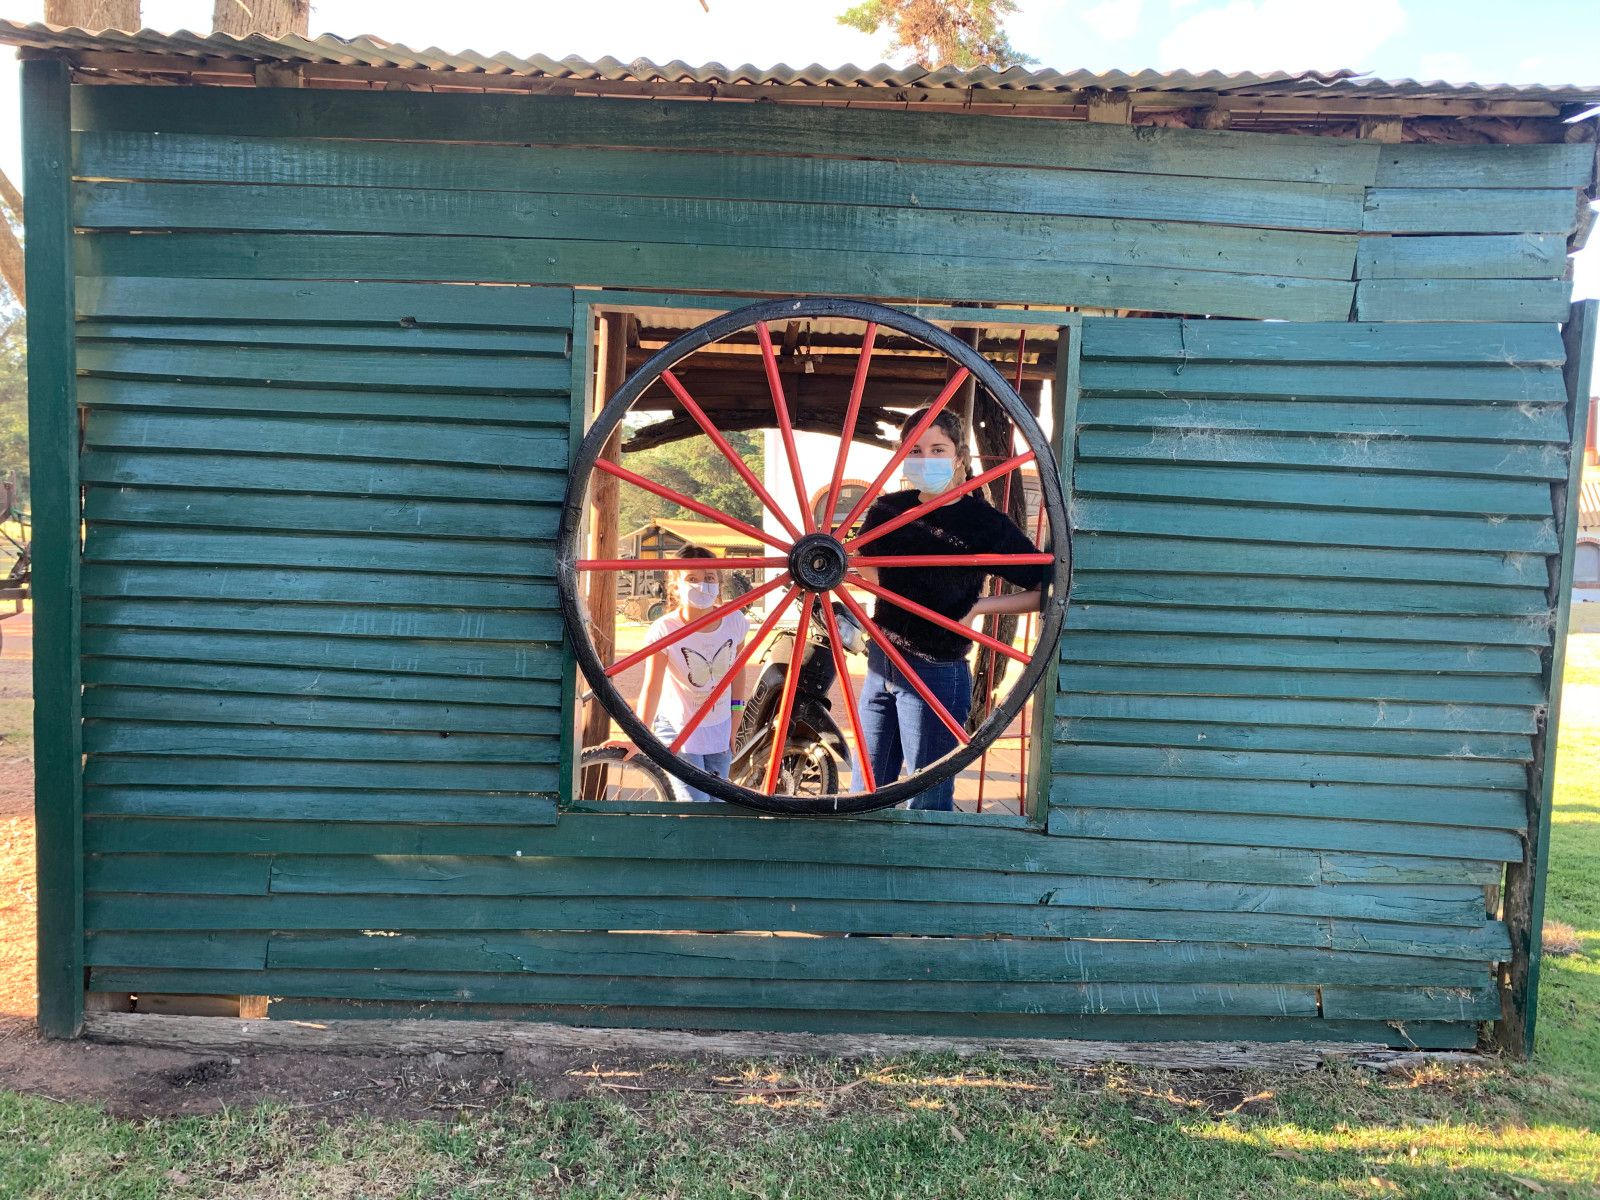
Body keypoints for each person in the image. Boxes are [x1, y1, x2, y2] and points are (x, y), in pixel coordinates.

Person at [851, 406, 1047, 810]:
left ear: (958, 456)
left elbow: (1045, 588)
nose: (926, 459)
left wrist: (981, 606)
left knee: (926, 800)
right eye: (916, 449)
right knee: (865, 793)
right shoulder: (887, 510)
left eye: (937, 449)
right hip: (880, 663)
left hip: (935, 673)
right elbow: (860, 565)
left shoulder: (981, 522)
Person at [615, 545, 748, 802]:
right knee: (695, 803)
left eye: (709, 578)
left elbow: (737, 672)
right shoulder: (665, 629)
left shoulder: (734, 621)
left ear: (719, 584)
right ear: (676, 585)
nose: (702, 585)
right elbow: (652, 686)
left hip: (720, 723)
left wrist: (735, 721)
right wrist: (638, 735)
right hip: (679, 724)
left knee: (719, 803)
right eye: (692, 579)